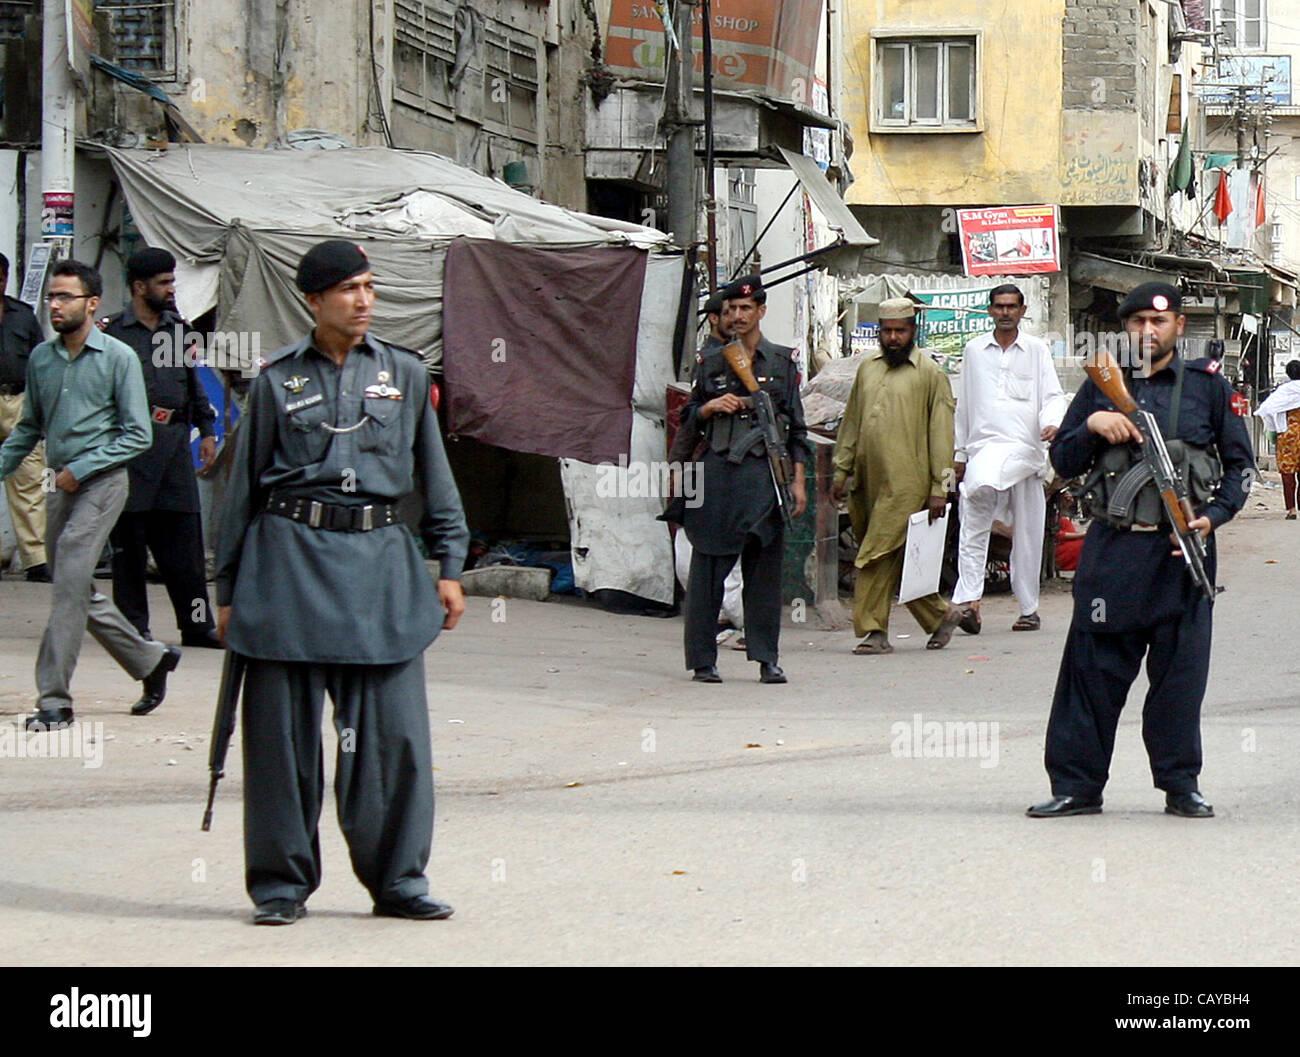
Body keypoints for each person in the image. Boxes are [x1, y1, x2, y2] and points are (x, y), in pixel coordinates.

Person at [215, 240, 469, 925]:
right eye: (349, 289)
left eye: (369, 287)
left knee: (391, 740)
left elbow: (434, 477)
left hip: (379, 569)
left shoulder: (406, 376)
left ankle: (399, 881)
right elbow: (237, 493)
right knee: (281, 743)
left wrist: (449, 565)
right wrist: (227, 591)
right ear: (314, 300)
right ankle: (279, 885)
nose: (363, 300)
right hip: (287, 566)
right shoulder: (274, 382)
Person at [1028, 282, 1254, 820]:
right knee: (1092, 673)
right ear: (1125, 329)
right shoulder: (1102, 387)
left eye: (1160, 322)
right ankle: (1077, 787)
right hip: (1113, 552)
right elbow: (1063, 460)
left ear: (1179, 327)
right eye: (1137, 323)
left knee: (1180, 678)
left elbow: (1241, 467)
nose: (1148, 332)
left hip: (1181, 555)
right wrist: (1090, 425)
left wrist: (1212, 518)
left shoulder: (1208, 390)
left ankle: (1181, 785)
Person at [0, 260, 181, 730]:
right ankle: (149, 659)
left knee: (66, 591)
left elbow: (138, 434)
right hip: (62, 486)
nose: (55, 306)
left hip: (102, 483)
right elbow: (29, 428)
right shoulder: (42, 359)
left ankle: (54, 701)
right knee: (75, 584)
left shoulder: (118, 358)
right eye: (52, 298)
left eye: (65, 298)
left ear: (92, 303)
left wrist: (81, 468)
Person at [677, 274, 807, 683]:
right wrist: (710, 407)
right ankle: (703, 660)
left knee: (763, 574)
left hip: (764, 478)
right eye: (730, 309)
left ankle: (766, 658)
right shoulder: (709, 361)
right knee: (707, 572)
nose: (737, 316)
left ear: (761, 312)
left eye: (745, 309)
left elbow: (798, 432)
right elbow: (687, 417)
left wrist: (797, 483)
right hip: (718, 477)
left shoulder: (782, 363)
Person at [832, 298, 965, 654]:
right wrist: (841, 470)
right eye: (887, 331)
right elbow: (852, 423)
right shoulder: (867, 370)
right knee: (894, 554)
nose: (893, 338)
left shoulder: (930, 374)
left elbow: (942, 435)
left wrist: (941, 488)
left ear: (913, 331)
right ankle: (940, 616)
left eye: (900, 331)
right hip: (867, 480)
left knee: (874, 553)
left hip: (908, 484)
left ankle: (874, 631)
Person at [104, 248, 221, 647]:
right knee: (130, 547)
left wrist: (207, 430)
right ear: (140, 287)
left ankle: (197, 625)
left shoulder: (178, 330)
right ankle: (133, 630)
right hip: (131, 450)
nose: (172, 289)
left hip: (173, 447)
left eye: (173, 281)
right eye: (164, 282)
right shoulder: (112, 334)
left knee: (185, 547)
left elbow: (193, 381)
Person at [952, 284, 1067, 633]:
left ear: (1022, 310)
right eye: (999, 306)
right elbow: (965, 405)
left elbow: (1052, 395)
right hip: (984, 450)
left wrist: (1052, 422)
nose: (1005, 312)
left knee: (1029, 534)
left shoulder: (1035, 350)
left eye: (1011, 307)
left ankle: (1028, 608)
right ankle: (969, 600)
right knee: (972, 520)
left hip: (1025, 452)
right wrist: (959, 453)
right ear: (990, 310)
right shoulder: (974, 351)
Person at [0, 252, 51, 581]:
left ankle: (36, 559)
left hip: (19, 400)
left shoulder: (22, 315)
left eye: (1, 277)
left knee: (31, 477)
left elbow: (41, 358)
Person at [1255, 359, 1300, 519]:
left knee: (1288, 474)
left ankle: (1291, 509)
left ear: (1288, 373)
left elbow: (1266, 409)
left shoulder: (1283, 392)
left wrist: (1273, 429)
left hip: (1288, 437)